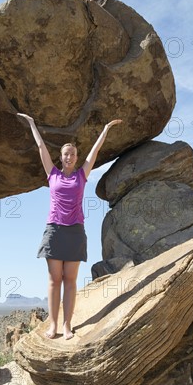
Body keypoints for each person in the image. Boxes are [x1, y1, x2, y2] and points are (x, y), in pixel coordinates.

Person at [17, 113, 122, 340]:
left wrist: (105, 129)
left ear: (76, 158)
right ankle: (53, 325)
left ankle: (67, 325)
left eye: (73, 154)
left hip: (75, 231)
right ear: (61, 157)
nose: (69, 157)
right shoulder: (52, 174)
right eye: (66, 154)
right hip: (54, 230)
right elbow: (40, 147)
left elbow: (95, 152)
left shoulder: (81, 176)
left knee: (70, 280)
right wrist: (32, 123)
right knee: (54, 279)